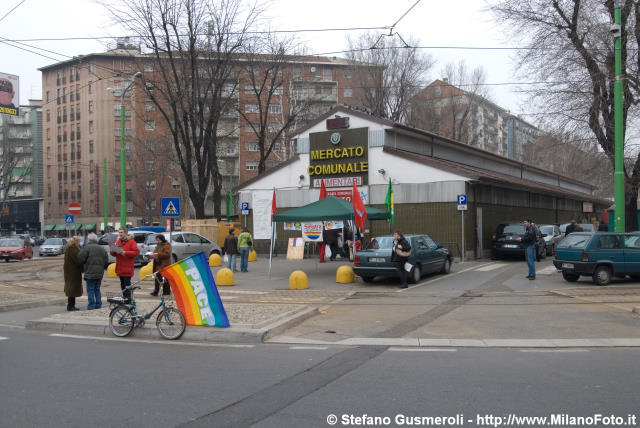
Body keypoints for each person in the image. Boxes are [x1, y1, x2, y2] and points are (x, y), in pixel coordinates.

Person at [77, 233, 108, 310]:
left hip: (89, 272)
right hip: (99, 273)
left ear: (89, 239)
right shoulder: (101, 248)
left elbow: (80, 259)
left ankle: (91, 305)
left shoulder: (86, 248)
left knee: (90, 289)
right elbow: (106, 261)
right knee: (97, 289)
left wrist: (84, 267)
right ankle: (98, 304)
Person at [110, 228, 139, 300]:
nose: (120, 234)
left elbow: (136, 252)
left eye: (121, 232)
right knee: (122, 283)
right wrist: (112, 250)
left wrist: (125, 252)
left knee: (127, 284)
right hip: (120, 266)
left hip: (127, 267)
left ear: (125, 233)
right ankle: (125, 297)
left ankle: (128, 298)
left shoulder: (131, 241)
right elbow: (114, 254)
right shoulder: (118, 241)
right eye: (119, 232)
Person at [63, 236, 82, 311]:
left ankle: (71, 305)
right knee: (72, 289)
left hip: (69, 272)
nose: (79, 243)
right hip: (73, 272)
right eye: (79, 241)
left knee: (71, 288)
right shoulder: (73, 250)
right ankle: (71, 306)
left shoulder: (69, 248)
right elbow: (78, 261)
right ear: (76, 242)